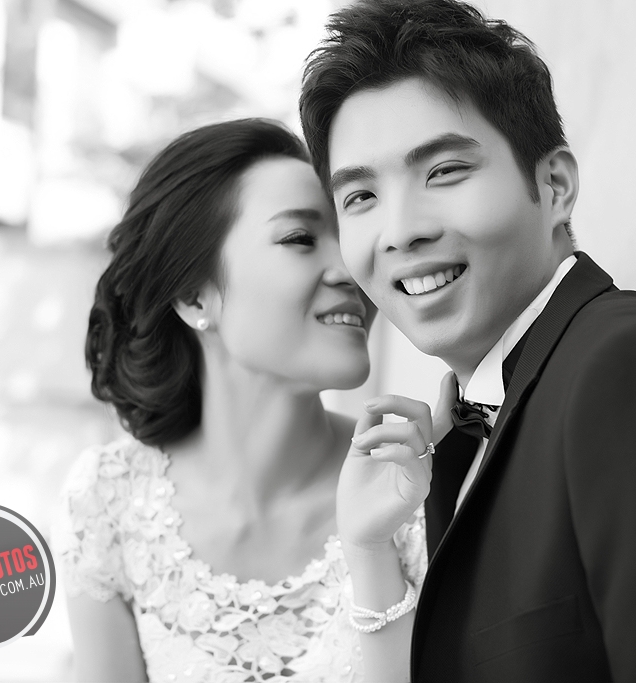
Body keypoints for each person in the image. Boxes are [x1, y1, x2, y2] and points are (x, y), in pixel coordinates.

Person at [300, 1, 636, 681]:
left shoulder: (632, 370)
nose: (401, 231)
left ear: (554, 186)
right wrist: (371, 549)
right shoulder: (456, 435)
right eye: (360, 198)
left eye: (445, 171)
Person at [51, 119, 427, 683]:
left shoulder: (414, 489)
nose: (351, 267)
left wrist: (372, 551)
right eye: (300, 238)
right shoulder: (108, 502)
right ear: (192, 295)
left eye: (348, 233)